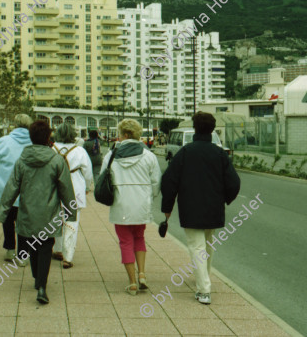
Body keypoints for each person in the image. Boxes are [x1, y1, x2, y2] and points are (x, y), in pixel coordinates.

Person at [161, 112, 241, 305]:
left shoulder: (185, 153)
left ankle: (204, 289)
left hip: (190, 207)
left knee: (196, 246)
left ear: (195, 128)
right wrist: (224, 199)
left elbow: (169, 181)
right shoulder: (220, 153)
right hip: (213, 207)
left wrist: (167, 207)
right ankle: (204, 275)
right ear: (213, 129)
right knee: (208, 243)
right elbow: (234, 183)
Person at [0, 120, 77, 304]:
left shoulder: (21, 161)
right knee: (46, 248)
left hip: (27, 213)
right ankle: (42, 285)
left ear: (31, 138)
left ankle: (37, 280)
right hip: (49, 215)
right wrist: (71, 213)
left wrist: (1, 213)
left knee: (32, 246)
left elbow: (11, 188)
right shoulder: (57, 160)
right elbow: (66, 189)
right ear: (49, 137)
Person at [101, 119, 161, 295]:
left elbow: (103, 178)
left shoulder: (111, 155)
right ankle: (142, 273)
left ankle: (132, 282)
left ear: (125, 135)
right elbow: (156, 181)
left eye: (119, 133)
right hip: (141, 204)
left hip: (121, 203)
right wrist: (150, 196)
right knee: (139, 237)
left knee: (125, 241)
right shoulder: (148, 155)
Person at [0, 114, 33, 263]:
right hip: (28, 190)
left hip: (6, 189)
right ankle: (23, 256)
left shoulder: (4, 141)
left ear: (14, 124)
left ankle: (10, 250)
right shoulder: (34, 142)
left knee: (7, 220)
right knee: (24, 223)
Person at [51, 123, 93, 269]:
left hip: (54, 186)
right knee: (71, 221)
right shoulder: (79, 151)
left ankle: (57, 250)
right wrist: (87, 186)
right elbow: (88, 173)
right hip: (75, 188)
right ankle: (68, 257)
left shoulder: (51, 149)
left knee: (56, 219)